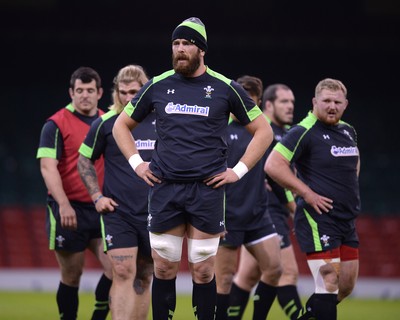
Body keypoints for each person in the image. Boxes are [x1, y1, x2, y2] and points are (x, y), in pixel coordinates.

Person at [112, 17, 273, 320]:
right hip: (165, 188)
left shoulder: (226, 88)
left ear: (202, 50)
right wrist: (137, 163)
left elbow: (264, 131)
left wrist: (237, 171)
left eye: (187, 44)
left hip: (206, 190)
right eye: (176, 44)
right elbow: (122, 125)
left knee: (202, 268)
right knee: (163, 266)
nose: (180, 49)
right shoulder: (157, 85)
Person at [265, 78, 361, 320]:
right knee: (329, 278)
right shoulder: (303, 131)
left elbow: (354, 162)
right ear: (314, 102)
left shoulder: (348, 130)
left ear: (346, 104)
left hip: (346, 219)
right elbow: (273, 165)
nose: (332, 106)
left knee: (345, 284)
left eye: (337, 102)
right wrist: (306, 193)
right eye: (326, 101)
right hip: (318, 218)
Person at [77, 64, 155, 320]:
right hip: (118, 213)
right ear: (116, 93)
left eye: (134, 92)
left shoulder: (162, 122)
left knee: (145, 275)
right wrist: (97, 197)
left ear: (145, 91)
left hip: (156, 213)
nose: (129, 98)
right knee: (122, 271)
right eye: (123, 92)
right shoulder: (106, 123)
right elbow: (83, 160)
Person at [36, 66, 113, 320]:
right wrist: (63, 204)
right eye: (79, 90)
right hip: (68, 209)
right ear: (71, 92)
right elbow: (48, 168)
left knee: (118, 269)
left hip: (100, 207)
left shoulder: (107, 122)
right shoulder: (55, 124)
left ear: (100, 92)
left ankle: (98, 315)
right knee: (72, 275)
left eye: (90, 90)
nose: (84, 96)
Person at [231, 83, 303, 319]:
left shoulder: (288, 134)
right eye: (284, 102)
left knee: (248, 277)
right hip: (266, 212)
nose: (290, 106)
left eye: (292, 102)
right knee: (287, 273)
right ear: (268, 105)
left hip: (268, 213)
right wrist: (296, 208)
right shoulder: (262, 133)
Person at [215, 75, 282, 320]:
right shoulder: (220, 130)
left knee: (275, 269)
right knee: (222, 281)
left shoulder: (265, 134)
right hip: (227, 216)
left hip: (257, 214)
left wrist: (290, 204)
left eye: (251, 102)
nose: (245, 106)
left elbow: (274, 172)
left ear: (259, 102)